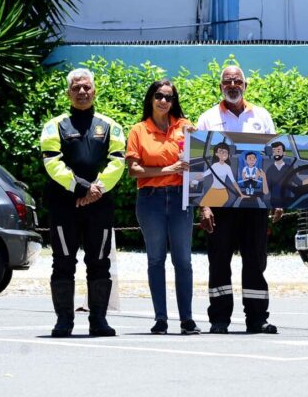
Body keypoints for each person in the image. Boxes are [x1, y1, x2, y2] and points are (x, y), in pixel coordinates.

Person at [40, 68, 126, 337]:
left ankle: (98, 321)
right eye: (76, 88)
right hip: (64, 206)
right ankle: (64, 321)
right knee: (63, 262)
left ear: (94, 90)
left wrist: (96, 188)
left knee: (100, 262)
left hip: (100, 206)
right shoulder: (55, 125)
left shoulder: (110, 125)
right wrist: (80, 187)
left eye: (86, 87)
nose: (81, 92)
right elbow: (51, 161)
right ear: (68, 92)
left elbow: (118, 160)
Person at [196, 65, 282, 334]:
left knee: (256, 261)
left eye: (237, 81)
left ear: (246, 85)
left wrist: (276, 197)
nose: (232, 85)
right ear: (220, 86)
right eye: (227, 81)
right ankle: (219, 319)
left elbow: (272, 159)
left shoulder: (262, 116)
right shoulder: (208, 118)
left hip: (255, 204)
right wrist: (204, 205)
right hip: (220, 204)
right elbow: (199, 164)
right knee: (219, 260)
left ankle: (257, 319)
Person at [126, 79, 200, 335]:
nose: (164, 101)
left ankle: (187, 319)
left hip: (181, 198)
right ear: (151, 98)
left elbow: (202, 161)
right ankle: (160, 319)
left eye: (169, 97)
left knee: (183, 260)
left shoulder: (186, 127)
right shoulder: (138, 130)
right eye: (159, 96)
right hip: (151, 200)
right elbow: (133, 171)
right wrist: (166, 170)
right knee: (155, 259)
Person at [200, 142, 244, 207]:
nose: (223, 153)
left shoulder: (227, 167)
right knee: (202, 206)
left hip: (222, 192)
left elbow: (233, 181)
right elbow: (205, 174)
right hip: (212, 191)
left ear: (228, 154)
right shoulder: (214, 165)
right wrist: (194, 180)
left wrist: (241, 193)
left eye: (225, 152)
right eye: (221, 151)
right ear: (216, 154)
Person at [265, 141, 291, 208]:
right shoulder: (270, 170)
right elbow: (266, 191)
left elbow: (299, 182)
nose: (276, 153)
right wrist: (263, 177)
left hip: (288, 200)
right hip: (274, 201)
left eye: (278, 151)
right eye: (274, 151)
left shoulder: (289, 168)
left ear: (284, 153)